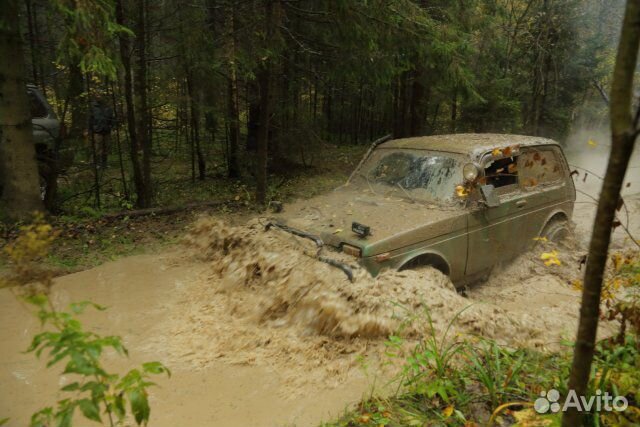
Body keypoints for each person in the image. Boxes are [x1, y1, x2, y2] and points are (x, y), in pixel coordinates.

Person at [89, 98, 115, 168]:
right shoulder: (92, 107)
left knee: (106, 147)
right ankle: (94, 163)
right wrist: (89, 129)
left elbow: (111, 118)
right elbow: (90, 119)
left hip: (106, 130)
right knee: (97, 148)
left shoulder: (108, 107)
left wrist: (112, 125)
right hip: (97, 130)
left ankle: (104, 163)